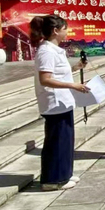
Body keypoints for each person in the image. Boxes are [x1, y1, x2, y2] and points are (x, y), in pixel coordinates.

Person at [31, 15, 89, 191]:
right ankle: (51, 180)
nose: (67, 32)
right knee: (56, 142)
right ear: (56, 31)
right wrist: (73, 85)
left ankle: (64, 174)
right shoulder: (46, 51)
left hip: (63, 101)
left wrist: (76, 67)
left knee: (65, 140)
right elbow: (46, 79)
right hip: (54, 102)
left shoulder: (54, 49)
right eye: (65, 28)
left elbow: (57, 73)